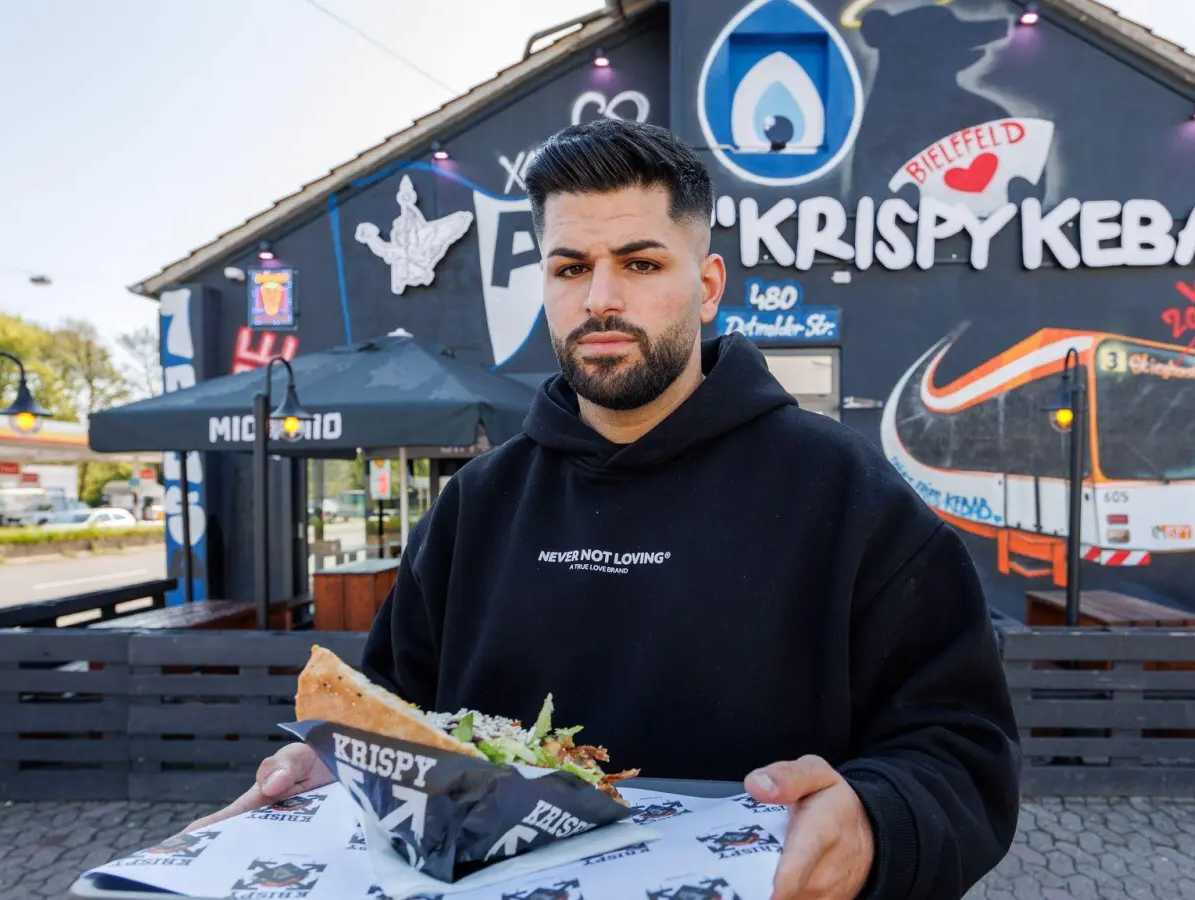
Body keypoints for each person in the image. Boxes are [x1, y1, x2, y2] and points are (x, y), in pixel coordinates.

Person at [182, 118, 1021, 899]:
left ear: (708, 286)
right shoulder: (476, 505)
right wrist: (333, 767)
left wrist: (873, 823)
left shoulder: (846, 493)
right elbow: (394, 714)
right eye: (571, 268)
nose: (600, 299)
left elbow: (960, 750)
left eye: (641, 264)